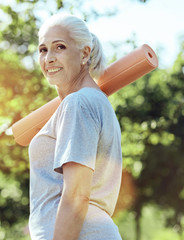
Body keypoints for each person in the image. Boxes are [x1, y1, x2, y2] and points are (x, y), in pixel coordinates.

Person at [28, 13, 123, 240]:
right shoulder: (93, 102)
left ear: (84, 53)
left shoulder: (78, 103)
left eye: (59, 47)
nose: (48, 58)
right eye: (43, 50)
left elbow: (77, 195)